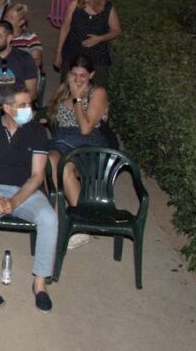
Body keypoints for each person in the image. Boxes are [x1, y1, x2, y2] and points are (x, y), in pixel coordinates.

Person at [0, 88, 55, 315]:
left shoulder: (37, 132)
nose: (29, 110)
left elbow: (37, 176)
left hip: (26, 191)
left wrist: (14, 202)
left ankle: (40, 284)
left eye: (30, 104)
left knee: (49, 218)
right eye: (23, 105)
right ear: (7, 108)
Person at [46, 54, 110, 250]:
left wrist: (77, 98)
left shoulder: (97, 92)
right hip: (62, 141)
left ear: (91, 75)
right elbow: (53, 117)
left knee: (65, 167)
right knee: (48, 161)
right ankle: (58, 218)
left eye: (83, 75)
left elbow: (85, 128)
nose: (78, 79)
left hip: (87, 145)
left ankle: (81, 224)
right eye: (74, 74)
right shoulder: (63, 90)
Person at [54, 0, 121, 83]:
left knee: (96, 91)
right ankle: (76, 101)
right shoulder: (74, 5)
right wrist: (58, 54)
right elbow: (65, 28)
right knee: (69, 90)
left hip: (97, 56)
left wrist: (100, 38)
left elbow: (116, 30)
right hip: (73, 53)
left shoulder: (107, 8)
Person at [4, 3, 43, 69]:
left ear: (21, 22)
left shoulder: (30, 38)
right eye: (6, 16)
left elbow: (37, 60)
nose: (6, 20)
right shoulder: (1, 37)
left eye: (11, 18)